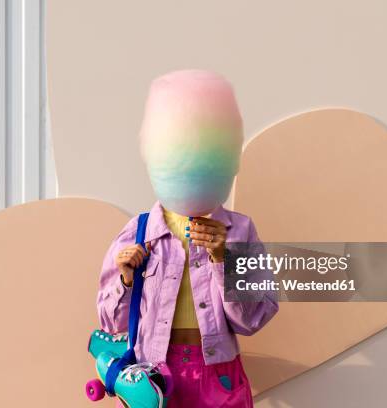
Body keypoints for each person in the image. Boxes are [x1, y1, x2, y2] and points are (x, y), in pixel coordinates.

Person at [96, 70, 278, 407]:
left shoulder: (239, 230)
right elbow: (111, 322)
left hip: (218, 376)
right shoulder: (139, 231)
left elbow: (253, 320)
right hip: (154, 381)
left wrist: (225, 259)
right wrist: (125, 277)